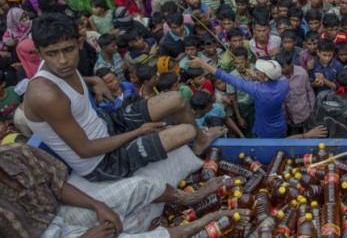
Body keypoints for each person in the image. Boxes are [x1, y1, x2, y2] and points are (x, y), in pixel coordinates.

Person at [23, 15, 225, 182]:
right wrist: (138, 132)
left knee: (176, 98)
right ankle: (194, 139)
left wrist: (93, 79)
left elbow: (67, 77)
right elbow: (85, 150)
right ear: (39, 54)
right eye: (52, 54)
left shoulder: (62, 69)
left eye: (68, 50)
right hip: (102, 161)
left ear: (79, 43)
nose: (63, 60)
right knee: (188, 130)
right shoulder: (46, 95)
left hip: (107, 125)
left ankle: (201, 141)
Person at [188, 56, 291, 138]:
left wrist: (203, 64)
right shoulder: (285, 83)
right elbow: (270, 84)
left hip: (264, 131)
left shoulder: (257, 89)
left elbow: (227, 77)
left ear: (266, 76)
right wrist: (257, 77)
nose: (257, 70)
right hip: (280, 127)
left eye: (260, 71)